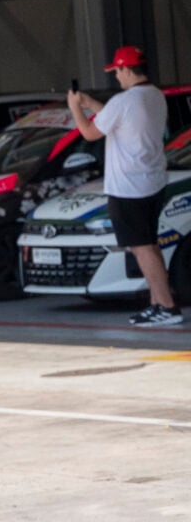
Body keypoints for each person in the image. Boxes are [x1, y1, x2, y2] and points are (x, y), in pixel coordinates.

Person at [70, 45, 179, 327]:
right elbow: (119, 118)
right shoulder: (154, 96)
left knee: (143, 248)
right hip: (152, 182)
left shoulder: (124, 101)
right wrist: (92, 104)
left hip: (129, 188)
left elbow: (89, 132)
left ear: (128, 69)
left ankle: (166, 306)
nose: (116, 76)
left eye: (117, 71)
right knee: (149, 245)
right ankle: (158, 303)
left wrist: (75, 109)